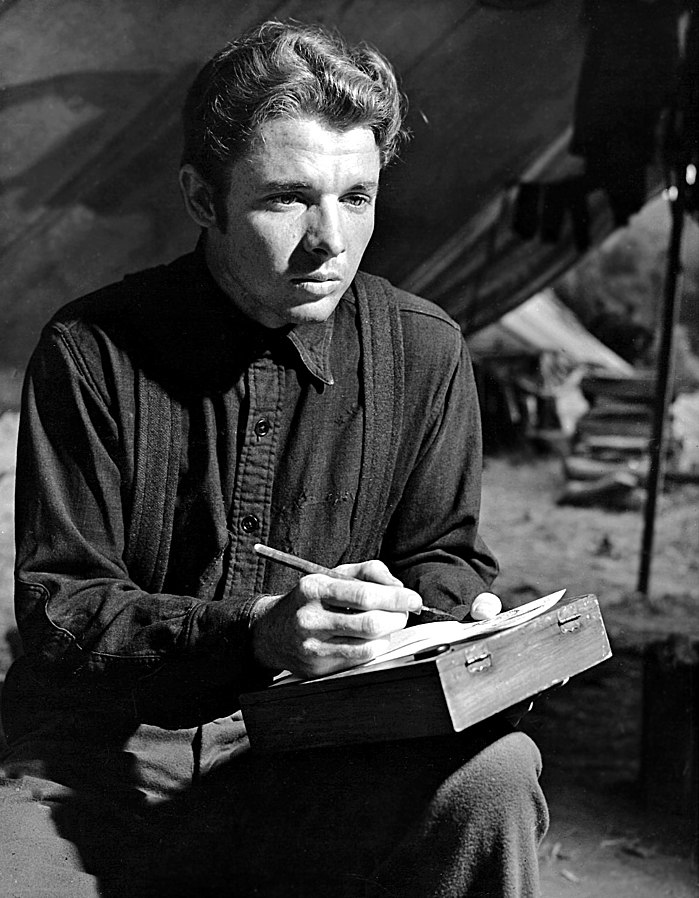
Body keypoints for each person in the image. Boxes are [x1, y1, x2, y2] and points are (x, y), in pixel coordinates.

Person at [0, 20, 548, 897]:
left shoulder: (426, 350)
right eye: (286, 198)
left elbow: (445, 556)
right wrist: (254, 633)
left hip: (327, 746)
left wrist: (442, 620)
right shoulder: (90, 349)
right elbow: (61, 606)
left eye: (357, 197)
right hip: (104, 754)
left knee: (494, 778)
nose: (329, 239)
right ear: (201, 197)